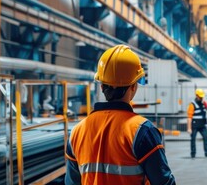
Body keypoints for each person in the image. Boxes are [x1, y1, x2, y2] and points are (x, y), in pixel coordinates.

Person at [65, 45, 175, 185]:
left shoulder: (76, 132)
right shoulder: (142, 131)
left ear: (102, 86)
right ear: (134, 86)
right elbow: (164, 182)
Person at [187, 88, 207, 158]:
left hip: (202, 125)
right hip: (194, 125)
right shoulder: (192, 104)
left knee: (206, 137)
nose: (201, 98)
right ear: (197, 96)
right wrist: (189, 128)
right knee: (193, 139)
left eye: (202, 96)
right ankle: (193, 154)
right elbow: (189, 117)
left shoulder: (203, 103)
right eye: (200, 96)